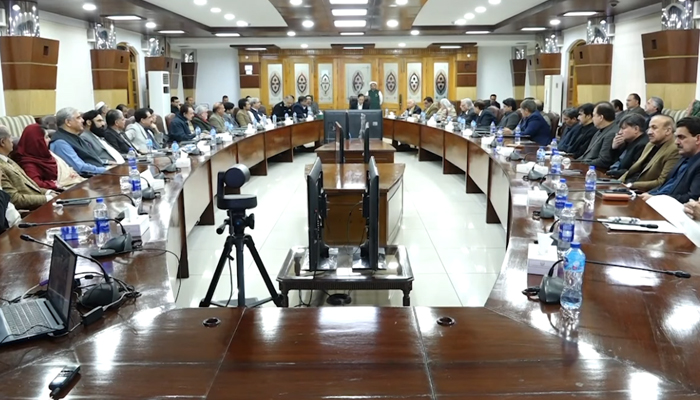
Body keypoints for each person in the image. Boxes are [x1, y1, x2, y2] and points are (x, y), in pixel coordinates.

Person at [640, 116, 700, 203]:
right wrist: (649, 194)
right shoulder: (684, 157)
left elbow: (691, 198)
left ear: (698, 139)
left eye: (681, 137)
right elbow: (664, 186)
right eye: (676, 137)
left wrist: (656, 198)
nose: (676, 142)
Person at [12, 124, 85, 190]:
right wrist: (56, 184)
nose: (49, 140)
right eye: (46, 137)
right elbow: (36, 184)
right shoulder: (28, 163)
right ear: (37, 141)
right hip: (56, 194)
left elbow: (64, 169)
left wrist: (70, 174)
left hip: (71, 187)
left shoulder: (47, 154)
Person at [620, 115, 680, 192]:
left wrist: (631, 185)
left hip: (642, 191)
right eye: (649, 128)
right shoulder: (650, 144)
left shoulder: (674, 149)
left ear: (668, 131)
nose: (649, 132)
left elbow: (661, 182)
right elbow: (635, 168)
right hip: (628, 185)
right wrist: (618, 182)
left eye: (654, 128)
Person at [0, 126, 54, 210]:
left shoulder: (8, 159)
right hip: (28, 213)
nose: (12, 140)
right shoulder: (1, 167)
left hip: (40, 203)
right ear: (2, 142)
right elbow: (14, 199)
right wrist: (48, 198)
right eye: (10, 137)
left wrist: (48, 192)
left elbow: (31, 186)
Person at [50, 107, 107, 175]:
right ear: (68, 122)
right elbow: (80, 168)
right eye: (78, 118)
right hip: (87, 181)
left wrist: (108, 165)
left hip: (99, 174)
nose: (83, 120)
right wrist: (105, 170)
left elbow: (92, 158)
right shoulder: (60, 143)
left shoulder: (75, 136)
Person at [577, 102, 620, 169]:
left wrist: (581, 163)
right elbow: (586, 155)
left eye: (594, 115)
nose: (592, 118)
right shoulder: (600, 130)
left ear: (601, 117)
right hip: (586, 166)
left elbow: (603, 161)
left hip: (596, 171)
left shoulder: (611, 133)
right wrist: (574, 162)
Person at [606, 114, 650, 178]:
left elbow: (634, 171)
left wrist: (613, 173)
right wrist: (614, 148)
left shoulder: (642, 145)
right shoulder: (627, 141)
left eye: (623, 128)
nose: (620, 132)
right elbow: (613, 162)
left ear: (636, 129)